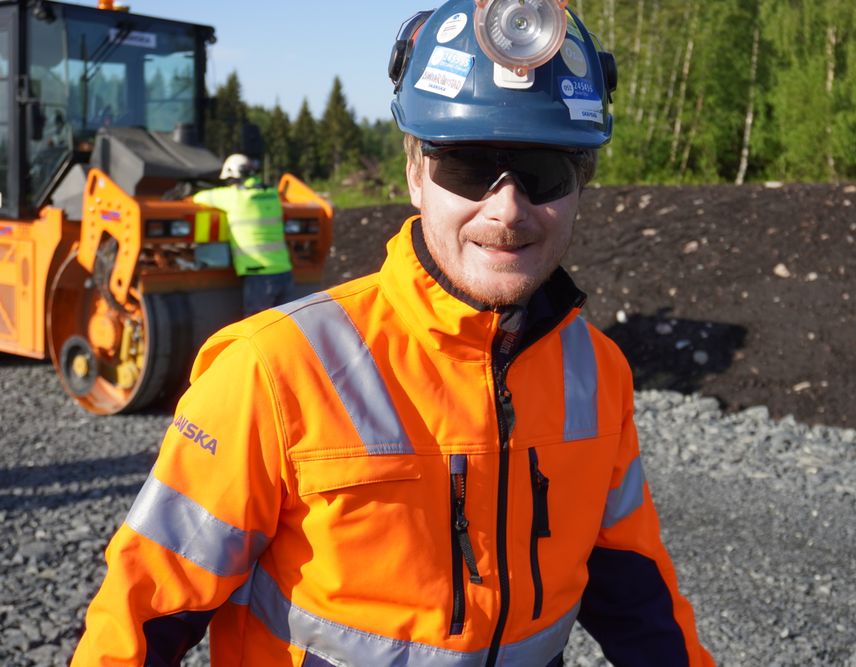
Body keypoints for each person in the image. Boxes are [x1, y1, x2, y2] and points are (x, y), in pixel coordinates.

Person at [72, 1, 714, 665]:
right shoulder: (273, 369)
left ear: (580, 186)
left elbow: (640, 602)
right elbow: (139, 616)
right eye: (468, 167)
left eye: (543, 171)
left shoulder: (597, 372)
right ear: (415, 174)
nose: (507, 208)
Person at [194, 153, 295, 316]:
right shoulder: (272, 194)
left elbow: (200, 197)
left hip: (260, 275)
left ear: (234, 178)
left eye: (229, 181)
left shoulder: (234, 197)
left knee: (256, 328)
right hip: (285, 272)